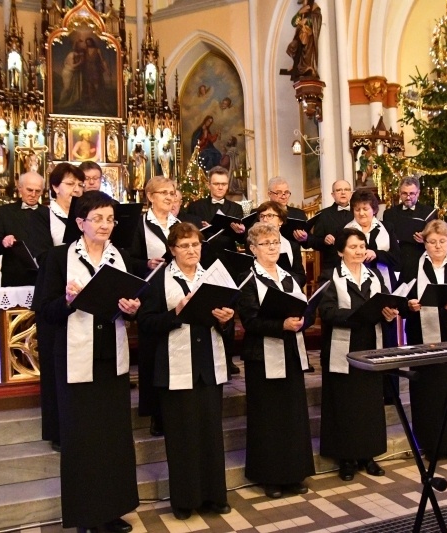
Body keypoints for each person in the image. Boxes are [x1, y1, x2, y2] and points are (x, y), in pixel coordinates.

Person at [34, 191, 140, 533]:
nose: (105, 225)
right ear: (80, 223)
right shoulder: (58, 257)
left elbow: (129, 302)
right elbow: (45, 311)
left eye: (110, 218)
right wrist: (67, 301)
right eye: (97, 218)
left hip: (111, 355)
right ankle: (86, 517)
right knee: (83, 439)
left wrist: (132, 310)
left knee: (113, 436)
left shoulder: (119, 256)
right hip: (76, 357)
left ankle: (113, 510)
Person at [137, 222, 233, 520]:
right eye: (185, 246)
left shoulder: (215, 277)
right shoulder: (158, 280)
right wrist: (176, 313)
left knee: (210, 434)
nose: (192, 250)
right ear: (172, 250)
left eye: (196, 245)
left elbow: (227, 324)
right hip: (175, 366)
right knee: (182, 437)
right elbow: (147, 322)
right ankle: (184, 500)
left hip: (208, 364)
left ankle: (214, 497)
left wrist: (226, 318)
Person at [237, 222, 315, 499]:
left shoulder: (289, 277)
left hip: (291, 353)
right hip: (262, 357)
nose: (272, 248)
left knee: (292, 415)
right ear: (253, 248)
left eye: (275, 243)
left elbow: (304, 309)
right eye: (266, 244)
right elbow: (249, 321)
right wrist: (281, 324)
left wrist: (303, 320)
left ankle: (294, 473)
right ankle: (269, 476)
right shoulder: (248, 279)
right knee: (267, 418)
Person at [318, 228, 397, 481]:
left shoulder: (374, 275)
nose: (359, 251)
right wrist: (356, 315)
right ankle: (347, 459)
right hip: (343, 346)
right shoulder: (330, 275)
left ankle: (369, 455)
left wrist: (388, 313)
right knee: (344, 403)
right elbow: (327, 311)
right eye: (353, 247)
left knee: (369, 403)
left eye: (362, 247)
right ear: (341, 250)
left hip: (370, 344)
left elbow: (386, 303)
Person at [402, 219, 447, 461]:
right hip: (422, 335)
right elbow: (400, 297)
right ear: (424, 243)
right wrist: (409, 305)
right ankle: (430, 444)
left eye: (442, 241)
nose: (437, 246)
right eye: (432, 242)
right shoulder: (413, 267)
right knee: (428, 391)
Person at [32, 162, 84, 451]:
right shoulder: (42, 215)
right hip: (53, 286)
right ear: (54, 187)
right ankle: (56, 429)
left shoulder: (84, 213)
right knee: (55, 360)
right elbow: (41, 251)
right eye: (69, 184)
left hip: (81, 286)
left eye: (79, 185)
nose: (75, 190)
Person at [130, 177, 180, 435]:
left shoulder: (179, 225)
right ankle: (154, 413)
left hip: (175, 291)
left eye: (172, 193)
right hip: (150, 293)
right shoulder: (139, 224)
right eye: (164, 193)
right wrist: (146, 264)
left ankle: (174, 409)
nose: (170, 197)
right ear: (150, 196)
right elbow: (128, 258)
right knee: (152, 353)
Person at [0, 172, 53, 287]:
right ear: (20, 188)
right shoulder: (4, 212)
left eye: (37, 191)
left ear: (42, 192)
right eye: (29, 190)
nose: (33, 194)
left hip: (44, 276)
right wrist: (3, 242)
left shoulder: (49, 214)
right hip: (14, 276)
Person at [382, 176, 437, 285]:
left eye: (412, 193)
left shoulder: (429, 212)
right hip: (398, 260)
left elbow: (436, 237)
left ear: (418, 193)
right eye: (404, 193)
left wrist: (425, 239)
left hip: (419, 259)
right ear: (399, 193)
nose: (408, 197)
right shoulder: (389, 214)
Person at [185, 166, 246, 261]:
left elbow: (240, 239)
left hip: (228, 257)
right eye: (216, 184)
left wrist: (241, 232)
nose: (220, 187)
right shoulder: (195, 207)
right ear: (208, 185)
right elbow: (189, 234)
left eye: (224, 184)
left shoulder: (236, 208)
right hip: (202, 257)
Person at [345, 189, 400, 291]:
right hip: (355, 283)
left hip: (385, 281)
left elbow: (396, 258)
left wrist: (376, 254)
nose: (361, 213)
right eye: (357, 209)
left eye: (365, 209)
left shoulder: (387, 227)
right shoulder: (346, 231)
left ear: (374, 210)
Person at [254, 201, 306, 288]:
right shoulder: (254, 246)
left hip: (289, 292)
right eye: (262, 216)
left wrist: (284, 283)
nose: (265, 219)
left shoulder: (292, 246)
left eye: (270, 216)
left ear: (281, 221)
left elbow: (301, 277)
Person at [308, 179, 354, 275]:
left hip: (356, 265)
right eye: (338, 190)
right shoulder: (323, 215)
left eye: (346, 189)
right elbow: (314, 241)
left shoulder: (358, 213)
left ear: (351, 193)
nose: (343, 192)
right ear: (333, 195)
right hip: (332, 267)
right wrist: (324, 240)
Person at [281, 0, 322, 81]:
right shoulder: (302, 9)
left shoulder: (314, 7)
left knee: (307, 52)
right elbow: (294, 23)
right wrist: (299, 12)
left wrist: (307, 20)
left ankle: (308, 68)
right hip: (299, 37)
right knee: (292, 47)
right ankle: (298, 66)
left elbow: (317, 18)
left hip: (309, 38)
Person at [265, 177, 308, 243]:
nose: (284, 196)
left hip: (292, 252)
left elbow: (311, 240)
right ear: (269, 194)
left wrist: (305, 238)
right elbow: (248, 239)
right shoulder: (259, 213)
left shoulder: (299, 214)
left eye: (286, 192)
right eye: (279, 193)